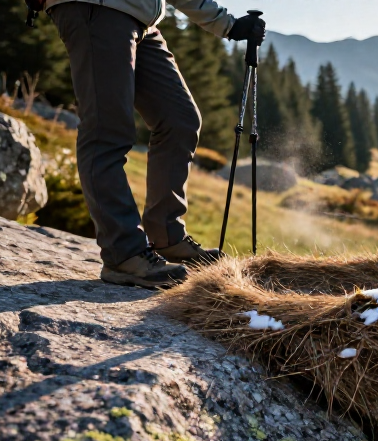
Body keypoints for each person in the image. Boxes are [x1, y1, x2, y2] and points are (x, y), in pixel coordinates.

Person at [44, 0, 265, 288]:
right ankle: (123, 254)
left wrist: (229, 25)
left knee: (180, 120)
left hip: (142, 19)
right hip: (99, 8)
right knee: (107, 131)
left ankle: (167, 236)